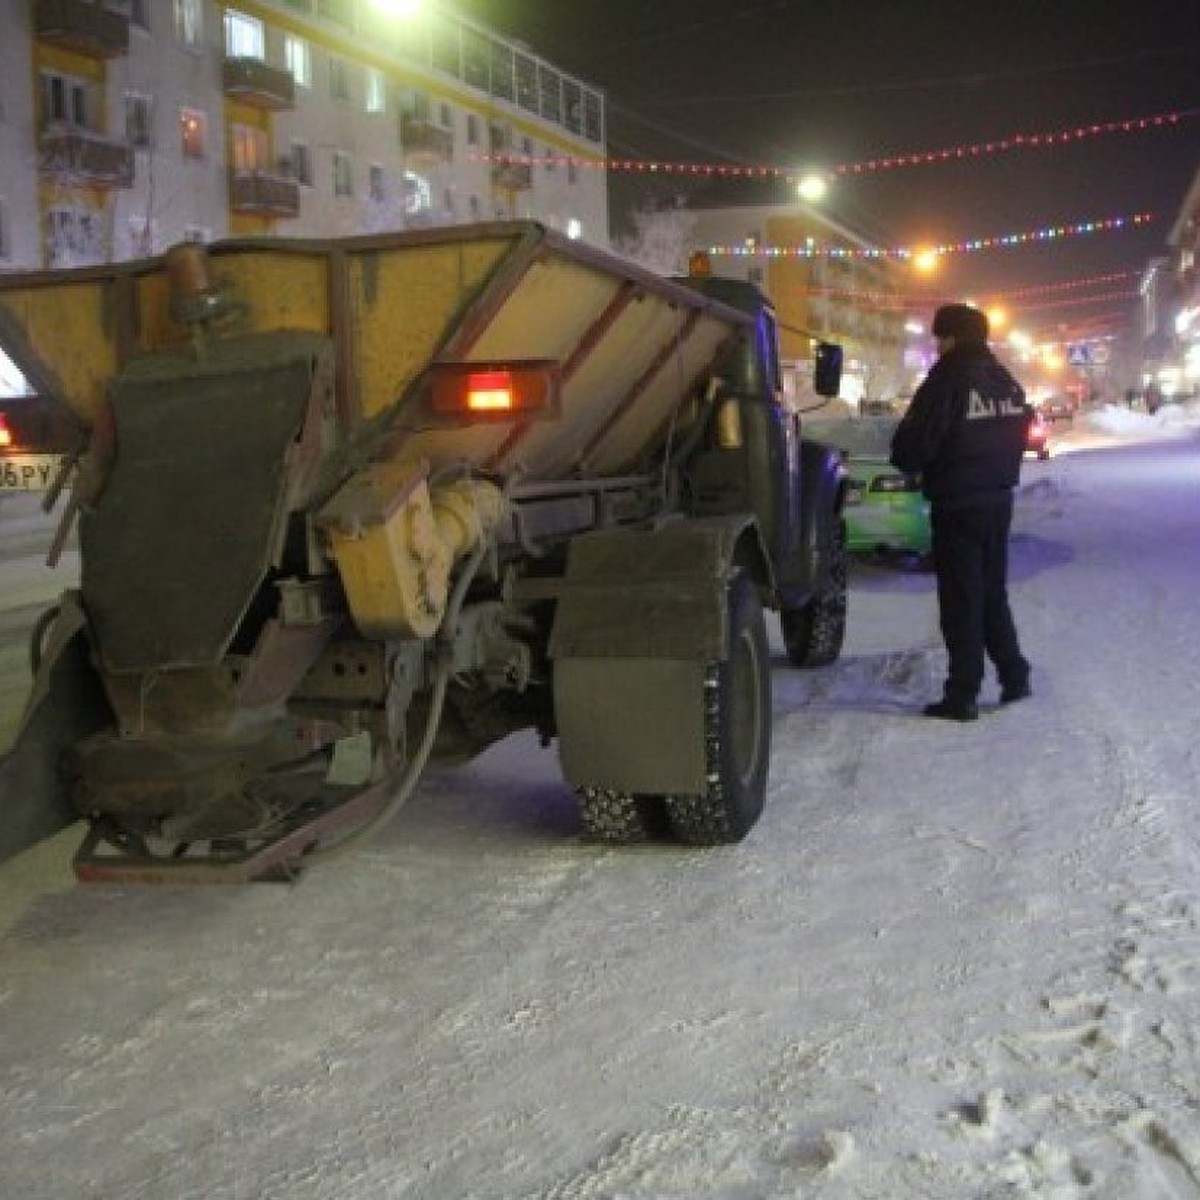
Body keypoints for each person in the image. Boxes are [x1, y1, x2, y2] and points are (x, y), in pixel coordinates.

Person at [890, 303, 1032, 721]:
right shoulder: (1004, 380)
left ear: (950, 338)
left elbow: (911, 448)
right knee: (991, 591)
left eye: (940, 338)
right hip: (998, 500)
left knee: (960, 598)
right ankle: (1014, 674)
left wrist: (917, 459)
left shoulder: (946, 380)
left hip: (957, 502)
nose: (937, 345)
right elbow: (1022, 432)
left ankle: (963, 693)